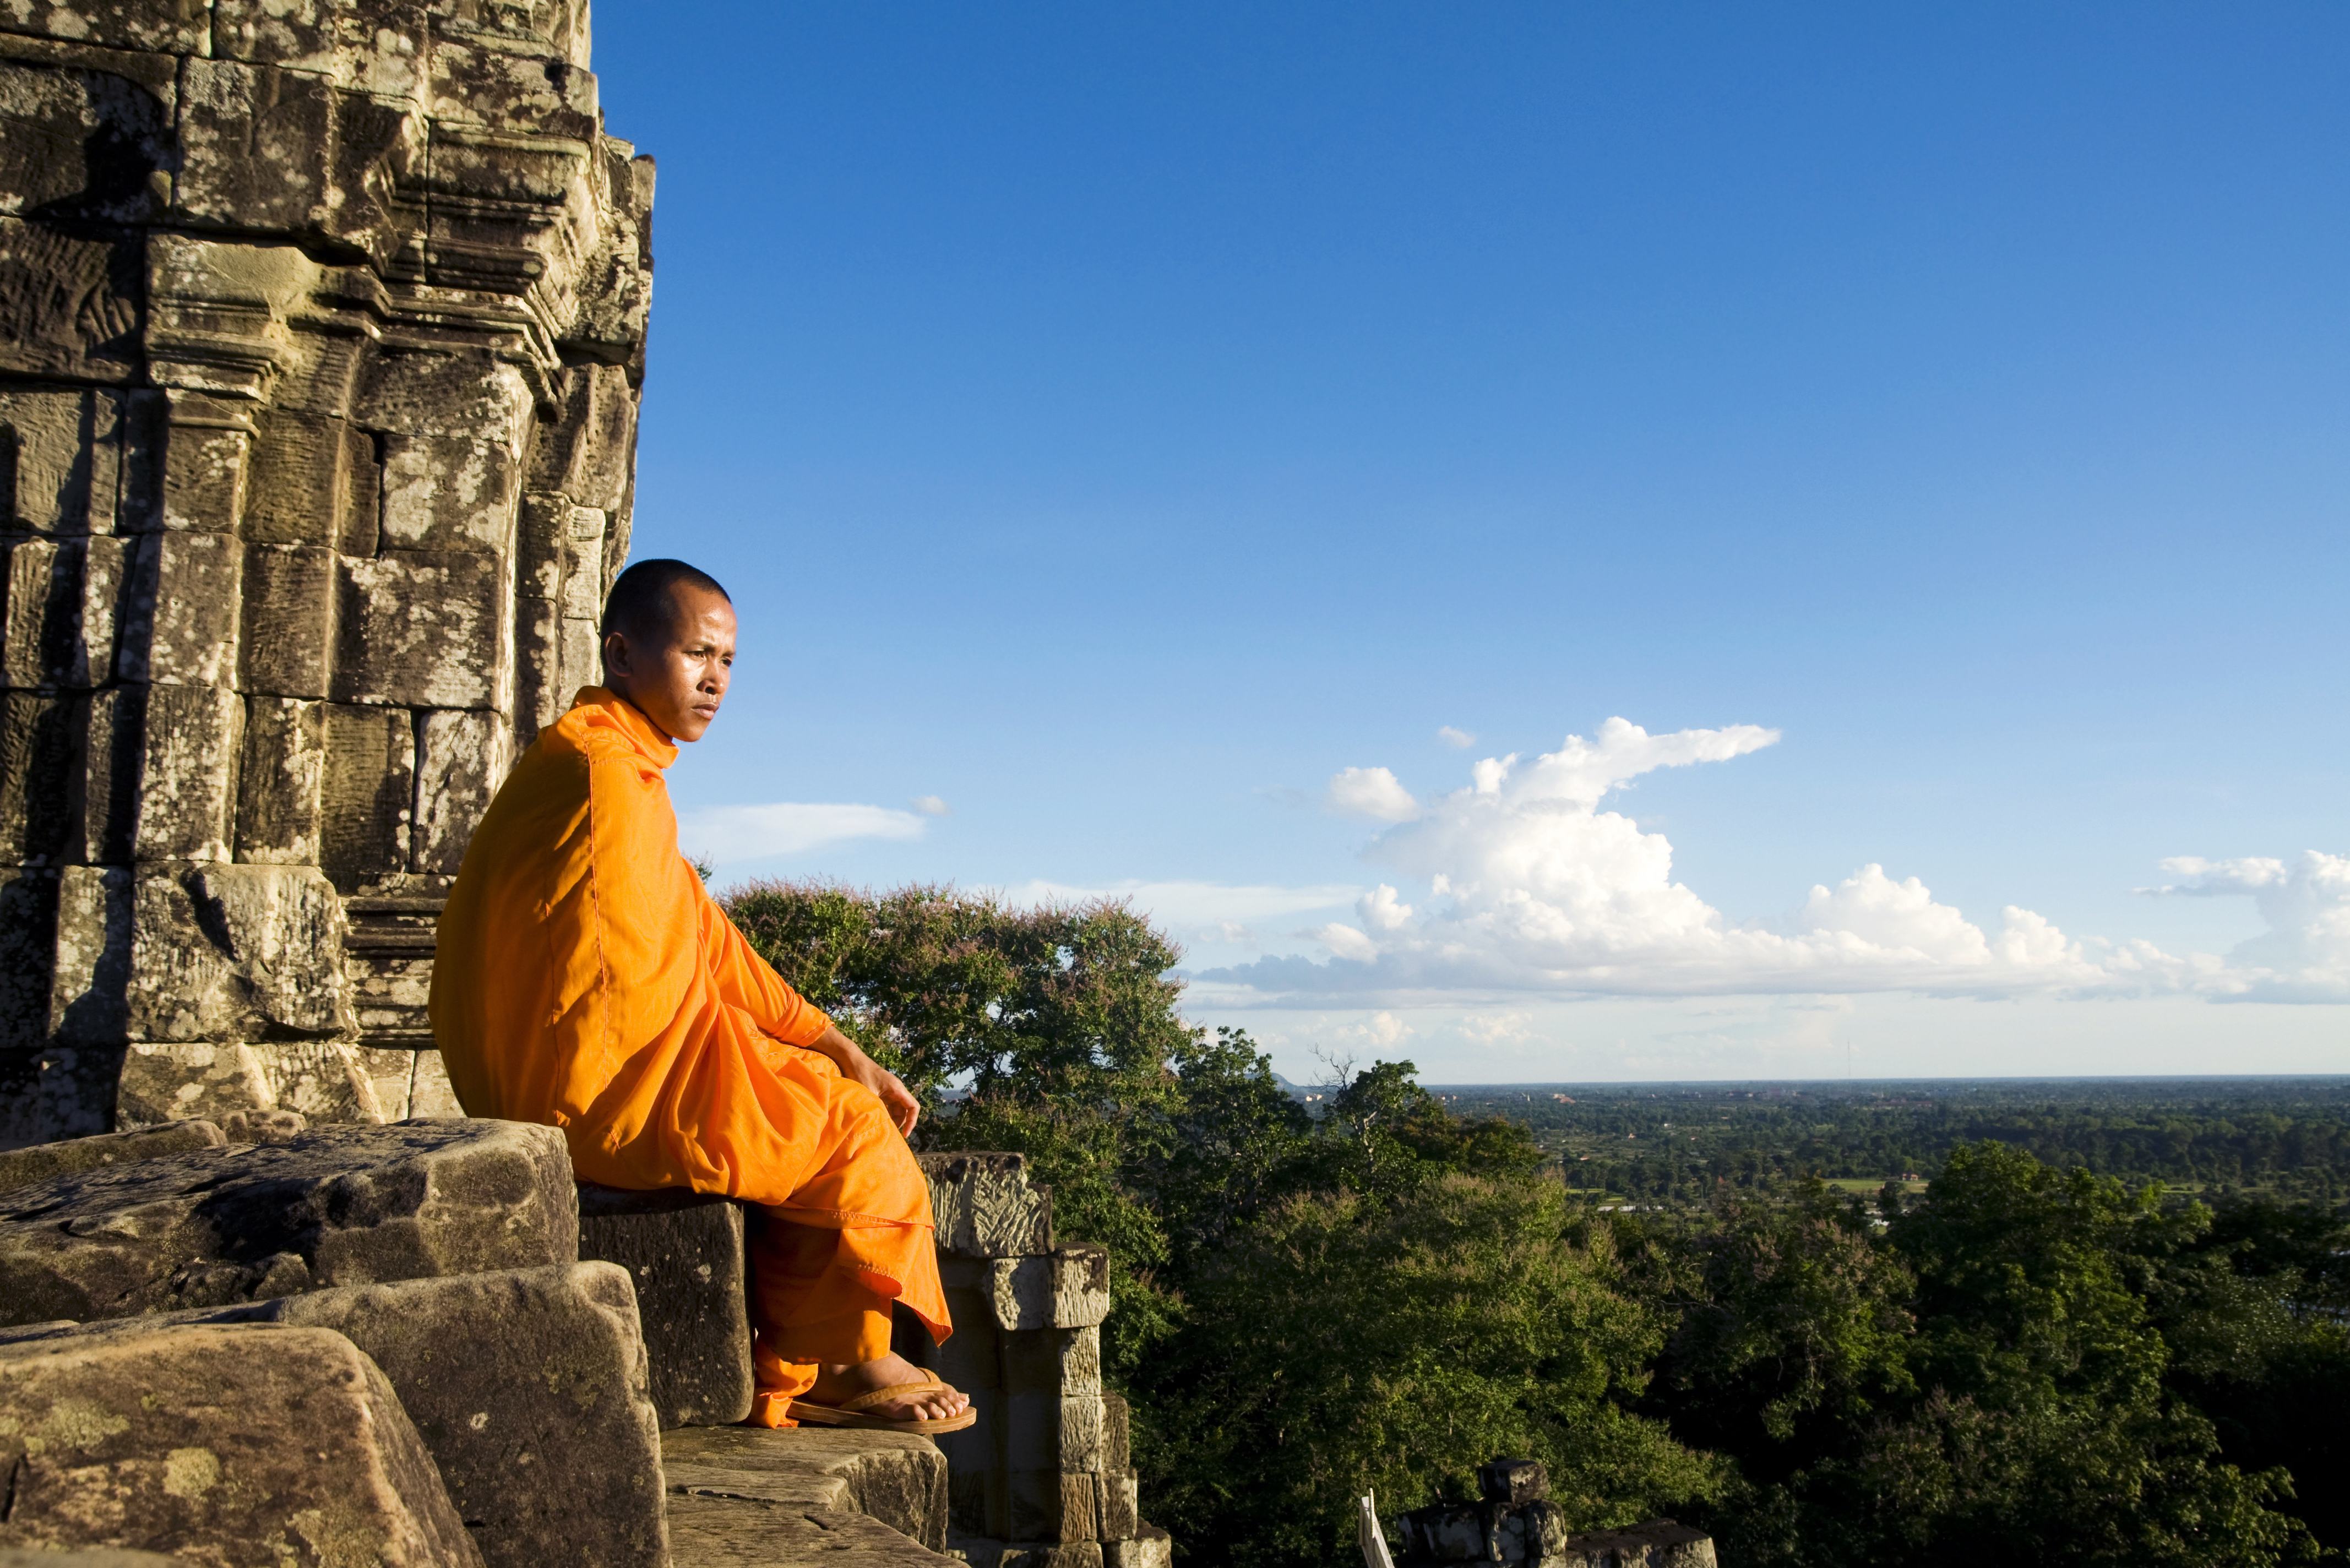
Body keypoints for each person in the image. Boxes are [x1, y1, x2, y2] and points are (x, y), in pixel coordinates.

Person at [430, 558, 970, 1432]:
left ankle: (812, 1348)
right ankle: (840, 1365)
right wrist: (801, 1064)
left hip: (550, 1077)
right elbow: (641, 974)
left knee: (821, 1088)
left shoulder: (609, 763)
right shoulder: (599, 773)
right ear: (623, 655)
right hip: (592, 1096)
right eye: (695, 655)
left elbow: (702, 939)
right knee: (852, 1127)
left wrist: (835, 1043)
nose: (715, 680)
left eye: (727, 660)